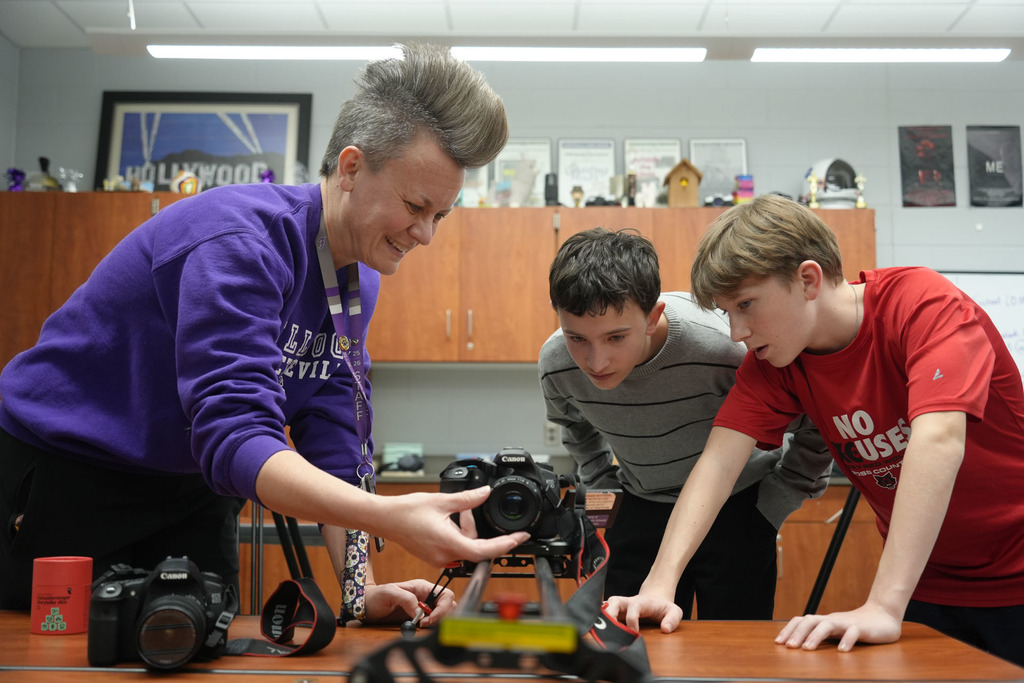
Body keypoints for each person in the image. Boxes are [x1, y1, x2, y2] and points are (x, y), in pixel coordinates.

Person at [0, 43, 529, 626]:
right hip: (67, 471)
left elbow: (337, 444)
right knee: (50, 656)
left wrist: (359, 590)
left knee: (203, 645)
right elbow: (235, 433)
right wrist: (385, 515)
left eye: (440, 216)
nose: (426, 234)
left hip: (191, 487)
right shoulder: (238, 242)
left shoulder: (358, 281)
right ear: (351, 168)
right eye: (415, 206)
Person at [604, 195, 1024, 667]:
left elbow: (939, 439)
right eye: (727, 313)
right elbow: (719, 463)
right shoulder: (778, 361)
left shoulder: (923, 305)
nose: (737, 332)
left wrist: (883, 604)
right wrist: (660, 584)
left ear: (807, 279)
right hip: (927, 583)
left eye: (746, 305)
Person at [539, 227, 833, 619]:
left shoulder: (722, 350)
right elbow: (574, 427)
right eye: (578, 338)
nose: (596, 362)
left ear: (652, 316)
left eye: (615, 338)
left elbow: (815, 423)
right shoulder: (556, 363)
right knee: (626, 638)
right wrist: (602, 495)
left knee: (734, 649)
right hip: (639, 505)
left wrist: (775, 503)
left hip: (738, 508)